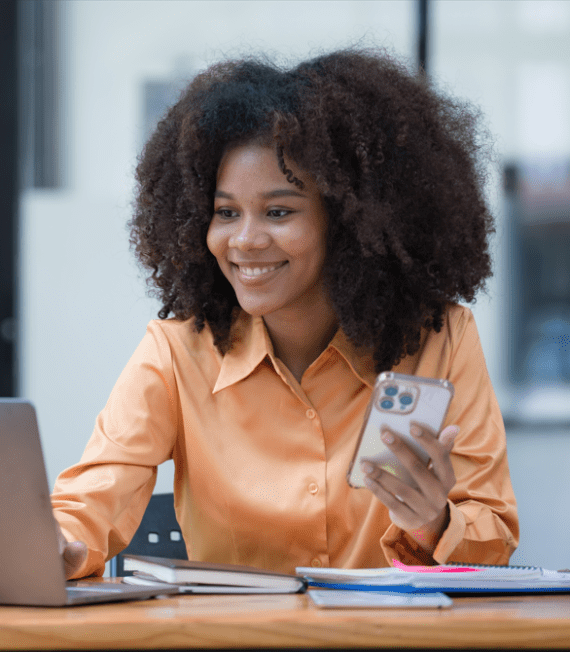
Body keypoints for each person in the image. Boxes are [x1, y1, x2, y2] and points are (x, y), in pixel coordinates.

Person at [52, 49, 519, 579]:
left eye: (279, 212)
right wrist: (57, 544)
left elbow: (494, 538)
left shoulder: (440, 340)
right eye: (226, 213)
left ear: (347, 224)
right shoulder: (176, 353)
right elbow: (89, 502)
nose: (246, 240)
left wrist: (433, 522)